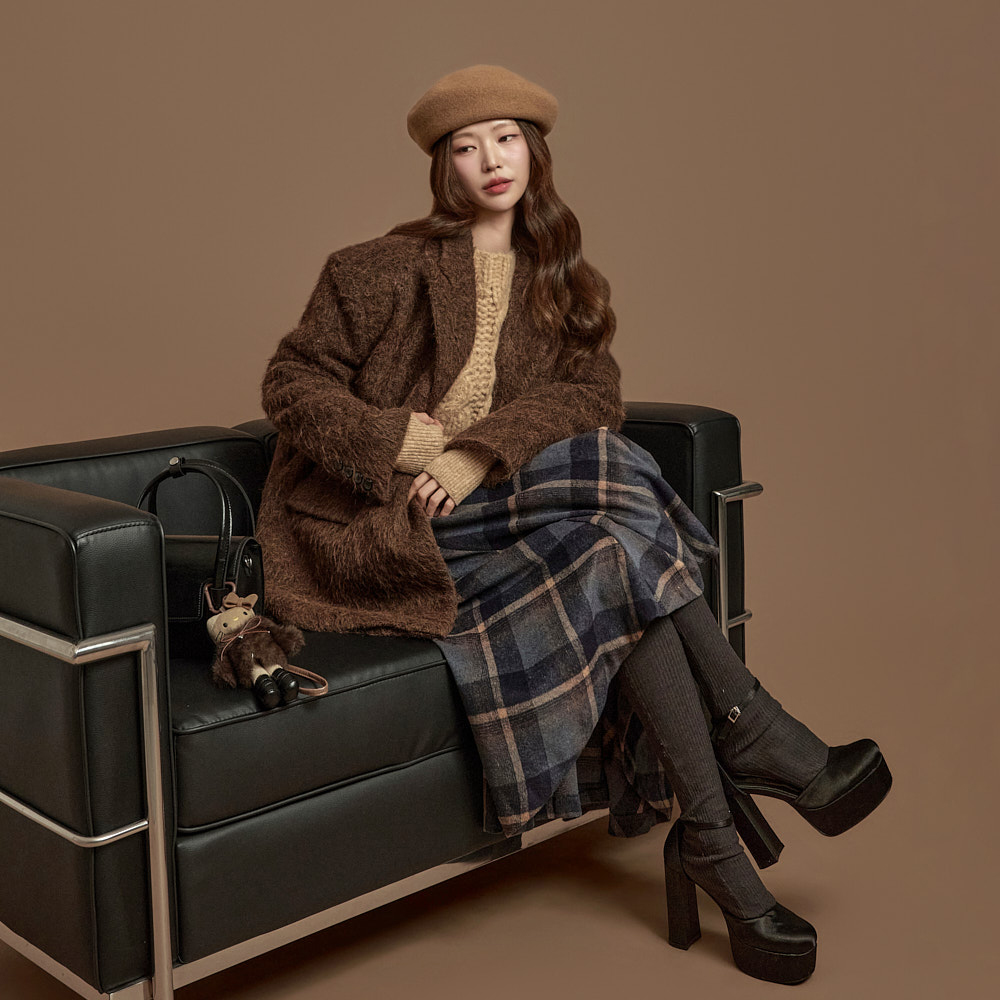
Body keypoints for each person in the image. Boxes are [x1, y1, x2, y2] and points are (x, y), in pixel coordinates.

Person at [256, 64, 892, 986]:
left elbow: (595, 394)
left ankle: (713, 840)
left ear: (535, 153)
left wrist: (478, 454)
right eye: (467, 147)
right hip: (381, 527)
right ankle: (754, 728)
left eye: (507, 139)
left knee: (612, 555)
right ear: (444, 167)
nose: (491, 160)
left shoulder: (562, 282)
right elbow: (289, 383)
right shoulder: (375, 269)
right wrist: (403, 442)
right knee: (608, 467)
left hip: (489, 510)